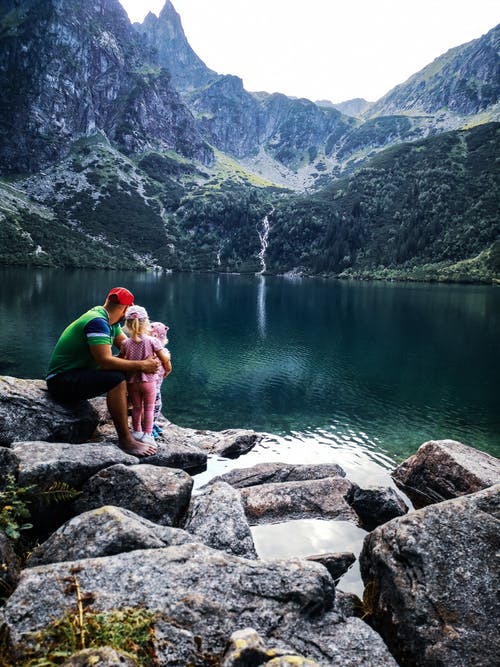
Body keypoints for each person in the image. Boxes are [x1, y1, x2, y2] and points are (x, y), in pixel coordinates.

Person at [46, 287, 159, 456]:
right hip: (60, 381)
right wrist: (142, 365)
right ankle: (126, 440)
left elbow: (129, 348)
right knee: (116, 377)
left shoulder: (108, 321)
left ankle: (141, 423)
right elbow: (105, 362)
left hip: (75, 375)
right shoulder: (97, 322)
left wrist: (150, 352)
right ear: (126, 309)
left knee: (125, 367)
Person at [120, 306, 172, 446]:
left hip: (132, 382)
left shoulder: (125, 343)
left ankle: (136, 431)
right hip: (149, 382)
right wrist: (167, 367)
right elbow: (163, 359)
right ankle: (148, 434)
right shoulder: (153, 341)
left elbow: (121, 360)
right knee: (149, 408)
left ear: (127, 325)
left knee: (137, 407)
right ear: (146, 323)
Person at [149, 321, 172, 437]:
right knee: (155, 406)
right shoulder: (164, 353)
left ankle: (150, 424)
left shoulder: (145, 352)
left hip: (143, 383)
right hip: (154, 386)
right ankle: (148, 427)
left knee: (146, 407)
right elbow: (168, 369)